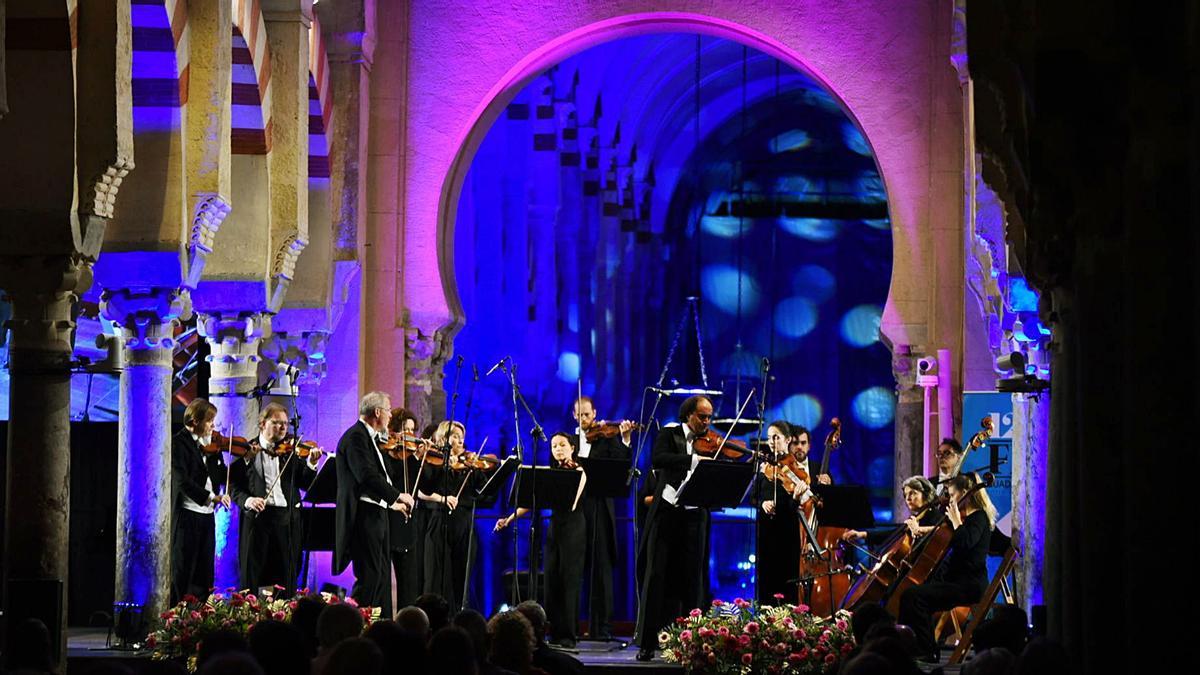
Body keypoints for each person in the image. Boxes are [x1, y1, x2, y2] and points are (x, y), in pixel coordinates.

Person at [634, 395, 715, 661]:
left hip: (695, 517)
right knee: (656, 578)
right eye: (702, 416)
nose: (707, 421)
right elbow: (659, 459)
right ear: (688, 414)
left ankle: (694, 644)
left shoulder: (710, 442)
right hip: (667, 515)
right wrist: (693, 460)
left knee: (693, 581)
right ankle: (647, 642)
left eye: (709, 417)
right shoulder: (669, 433)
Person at [496, 433, 587, 647]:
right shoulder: (551, 471)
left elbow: (571, 502)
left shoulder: (579, 471)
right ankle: (553, 633)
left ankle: (569, 635)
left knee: (569, 580)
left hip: (574, 527)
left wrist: (565, 474)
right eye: (554, 446)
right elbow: (531, 500)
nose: (558, 449)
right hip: (554, 528)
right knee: (552, 580)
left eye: (562, 445)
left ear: (572, 448)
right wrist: (508, 519)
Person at [898, 472, 998, 661]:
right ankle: (917, 648)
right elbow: (948, 535)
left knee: (915, 597)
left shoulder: (978, 518)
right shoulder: (967, 519)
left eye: (953, 495)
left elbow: (964, 543)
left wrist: (956, 521)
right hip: (957, 582)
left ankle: (925, 651)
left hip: (969, 585)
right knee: (914, 595)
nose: (950, 500)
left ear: (965, 493)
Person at [333, 392, 413, 616]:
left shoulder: (370, 438)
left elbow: (377, 479)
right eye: (388, 410)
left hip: (376, 512)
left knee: (379, 577)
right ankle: (353, 623)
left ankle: (372, 625)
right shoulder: (355, 437)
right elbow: (366, 476)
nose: (389, 415)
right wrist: (397, 496)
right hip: (363, 516)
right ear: (377, 412)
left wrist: (390, 505)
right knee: (369, 577)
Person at [229, 402, 322, 595]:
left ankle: (284, 617)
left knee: (286, 574)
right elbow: (234, 486)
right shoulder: (247, 451)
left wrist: (312, 464)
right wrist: (248, 501)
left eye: (286, 424)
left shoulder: (291, 452)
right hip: (257, 519)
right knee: (253, 575)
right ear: (262, 424)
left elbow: (305, 483)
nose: (282, 428)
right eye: (277, 423)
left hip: (287, 519)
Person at [571, 395, 633, 640]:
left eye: (588, 414)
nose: (585, 418)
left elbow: (621, 464)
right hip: (575, 510)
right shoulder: (567, 441)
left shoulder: (607, 438)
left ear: (594, 413)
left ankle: (602, 630)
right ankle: (571, 629)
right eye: (580, 414)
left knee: (602, 570)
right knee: (574, 570)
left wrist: (625, 438)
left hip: (599, 508)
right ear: (574, 415)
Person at [418, 420, 485, 609]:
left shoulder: (469, 463)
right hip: (439, 520)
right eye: (455, 436)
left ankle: (458, 617)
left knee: (461, 577)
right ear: (443, 438)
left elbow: (484, 490)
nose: (460, 440)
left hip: (464, 522)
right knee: (437, 575)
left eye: (462, 437)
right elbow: (422, 490)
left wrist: (476, 469)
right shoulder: (434, 461)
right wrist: (442, 496)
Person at [171, 398, 230, 602]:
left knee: (205, 569)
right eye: (209, 420)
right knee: (184, 569)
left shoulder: (209, 445)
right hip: (187, 515)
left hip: (206, 516)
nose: (213, 426)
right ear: (195, 421)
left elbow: (220, 475)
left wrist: (246, 457)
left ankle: (202, 614)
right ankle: (179, 617)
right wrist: (212, 497)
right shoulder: (179, 443)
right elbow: (182, 481)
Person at [386, 407, 425, 607]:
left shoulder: (411, 459)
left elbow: (419, 487)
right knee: (383, 582)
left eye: (412, 431)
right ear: (393, 430)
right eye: (405, 430)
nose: (410, 435)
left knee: (408, 583)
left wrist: (418, 458)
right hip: (387, 521)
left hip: (407, 523)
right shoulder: (385, 456)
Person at [842, 475, 939, 546]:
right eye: (906, 495)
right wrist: (862, 534)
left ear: (926, 494)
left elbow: (942, 532)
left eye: (913, 493)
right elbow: (894, 534)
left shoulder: (935, 515)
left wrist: (919, 530)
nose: (908, 499)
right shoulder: (916, 518)